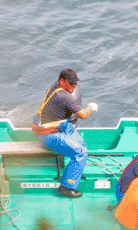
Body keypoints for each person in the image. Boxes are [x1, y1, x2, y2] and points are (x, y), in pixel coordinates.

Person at [31, 69, 98, 198]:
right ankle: (67, 187)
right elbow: (83, 115)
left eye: (75, 83)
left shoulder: (54, 87)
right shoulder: (65, 96)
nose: (74, 86)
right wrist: (90, 106)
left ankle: (76, 170)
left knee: (81, 143)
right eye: (71, 83)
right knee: (81, 152)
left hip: (52, 126)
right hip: (47, 135)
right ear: (62, 81)